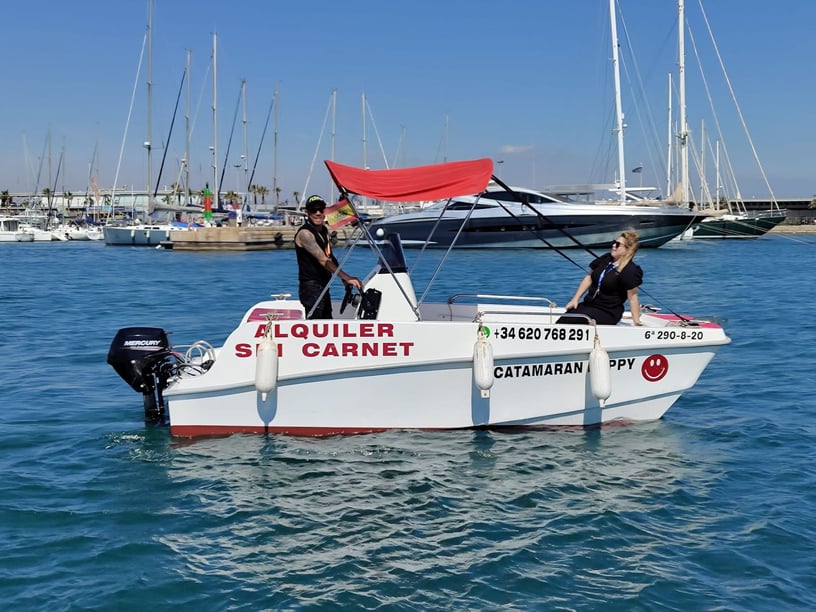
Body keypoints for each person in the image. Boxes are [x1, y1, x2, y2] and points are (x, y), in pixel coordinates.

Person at [294, 195, 363, 319]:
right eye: (313, 210)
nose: (318, 213)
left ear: (325, 212)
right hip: (311, 287)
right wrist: (346, 277)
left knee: (327, 321)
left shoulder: (324, 231)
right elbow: (323, 260)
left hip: (324, 285)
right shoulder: (305, 234)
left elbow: (329, 256)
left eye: (321, 209)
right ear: (307, 213)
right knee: (316, 324)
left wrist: (343, 280)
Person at [557, 230, 643, 326]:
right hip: (590, 304)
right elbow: (589, 278)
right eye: (614, 242)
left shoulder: (630, 270)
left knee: (570, 320)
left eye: (618, 244)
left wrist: (636, 321)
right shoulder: (606, 259)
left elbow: (633, 298)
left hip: (608, 311)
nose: (613, 246)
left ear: (627, 250)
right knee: (564, 319)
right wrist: (575, 299)